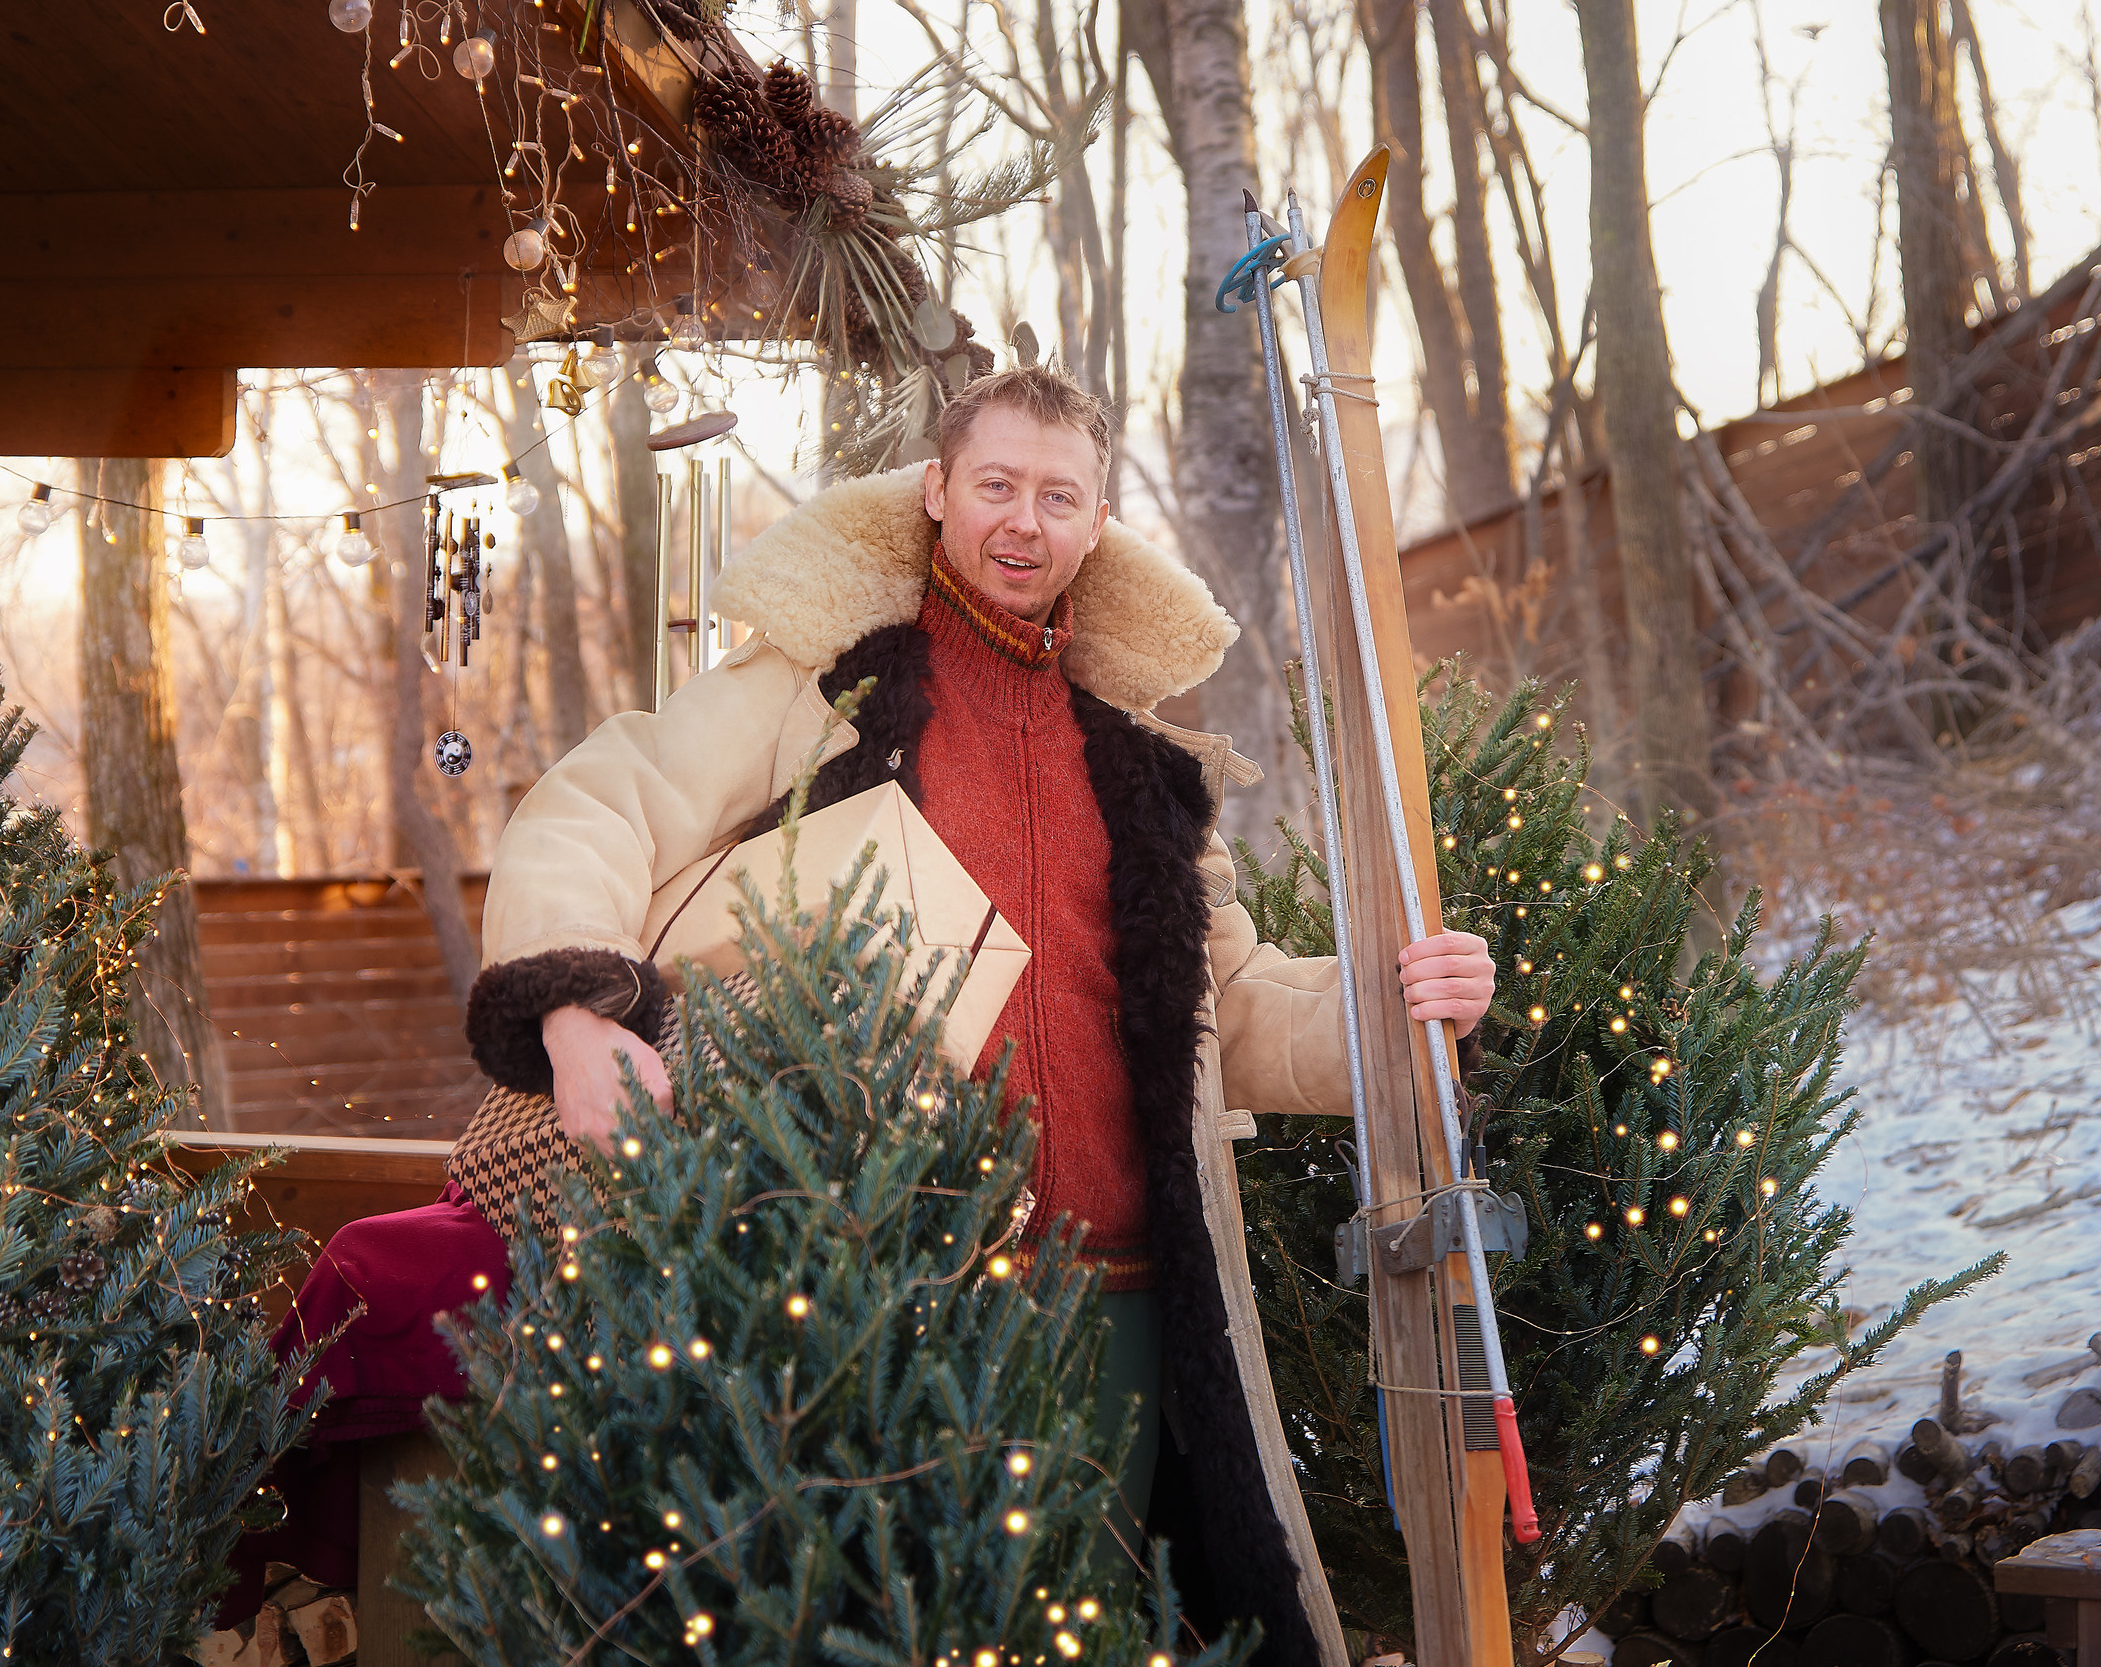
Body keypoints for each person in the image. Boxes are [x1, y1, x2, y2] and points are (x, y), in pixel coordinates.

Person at [224, 368, 1494, 1657]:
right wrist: (574, 1013)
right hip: (877, 1292)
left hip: (1117, 1308)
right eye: (995, 484)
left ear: (1099, 520)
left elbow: (1233, 1005)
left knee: (1102, 1634)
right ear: (938, 493)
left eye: (1059, 496)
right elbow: (595, 805)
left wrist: (1394, 1012)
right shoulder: (825, 693)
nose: (1023, 522)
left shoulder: (1136, 761)